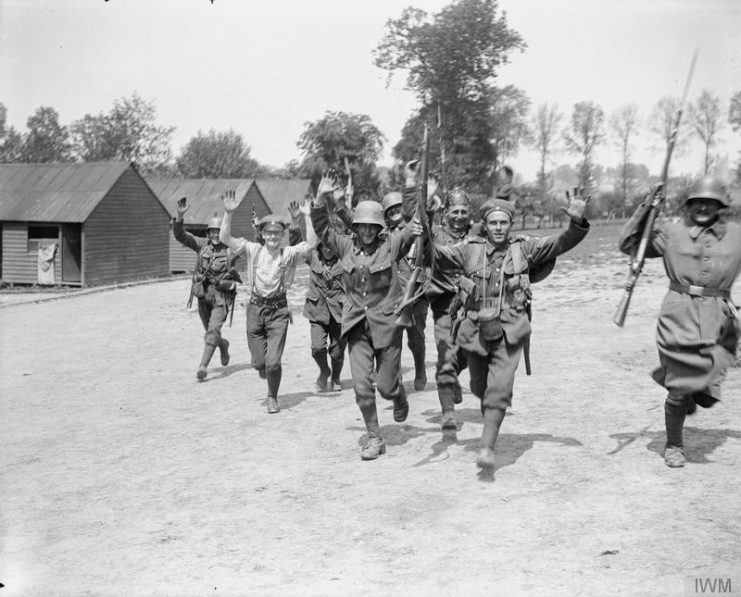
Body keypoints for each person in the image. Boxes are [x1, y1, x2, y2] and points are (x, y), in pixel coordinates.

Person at [414, 191, 590, 468]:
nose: (498, 228)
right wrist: (423, 235)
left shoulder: (524, 248)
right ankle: (487, 411)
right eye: (493, 223)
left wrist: (577, 223)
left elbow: (561, 242)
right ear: (485, 224)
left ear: (511, 225)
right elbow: (435, 257)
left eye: (503, 223)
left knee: (499, 390)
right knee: (479, 387)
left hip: (511, 329)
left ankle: (486, 447)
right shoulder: (469, 249)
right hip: (475, 331)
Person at [618, 175, 741, 468]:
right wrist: (648, 208)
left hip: (718, 313)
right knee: (679, 388)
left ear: (720, 205)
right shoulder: (671, 233)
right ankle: (674, 444)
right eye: (697, 201)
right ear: (688, 204)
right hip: (679, 313)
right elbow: (627, 243)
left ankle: (690, 389)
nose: (702, 207)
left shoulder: (736, 234)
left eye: (709, 202)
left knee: (709, 386)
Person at [311, 173, 416, 461]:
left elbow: (416, 220)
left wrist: (409, 185)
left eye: (372, 226)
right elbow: (321, 227)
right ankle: (374, 438)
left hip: (388, 326)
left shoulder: (392, 244)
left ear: (380, 227)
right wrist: (321, 198)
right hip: (357, 326)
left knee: (385, 386)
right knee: (360, 387)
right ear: (355, 227)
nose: (367, 231)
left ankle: (398, 394)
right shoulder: (345, 245)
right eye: (362, 226)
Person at [219, 190, 316, 414]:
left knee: (273, 362)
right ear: (262, 234)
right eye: (268, 233)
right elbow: (225, 238)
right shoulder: (253, 250)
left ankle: (272, 396)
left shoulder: (288, 253)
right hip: (255, 310)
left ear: (282, 235)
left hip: (278, 312)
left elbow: (310, 244)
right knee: (258, 363)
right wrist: (228, 213)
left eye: (277, 234)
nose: (273, 237)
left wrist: (308, 216)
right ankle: (262, 367)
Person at [173, 199, 240, 381]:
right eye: (212, 231)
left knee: (212, 332)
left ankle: (202, 366)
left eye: (219, 231)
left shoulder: (230, 249)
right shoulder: (202, 245)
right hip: (203, 295)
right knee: (210, 332)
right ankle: (223, 345)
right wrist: (180, 216)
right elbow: (180, 236)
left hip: (221, 297)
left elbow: (251, 248)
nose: (215, 234)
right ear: (208, 232)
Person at [382, 187, 429, 391]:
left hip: (417, 292)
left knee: (416, 336)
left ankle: (420, 369)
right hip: (393, 293)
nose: (395, 212)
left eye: (398, 207)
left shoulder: (418, 229)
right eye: (390, 210)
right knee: (393, 339)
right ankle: (397, 379)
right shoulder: (384, 237)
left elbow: (423, 218)